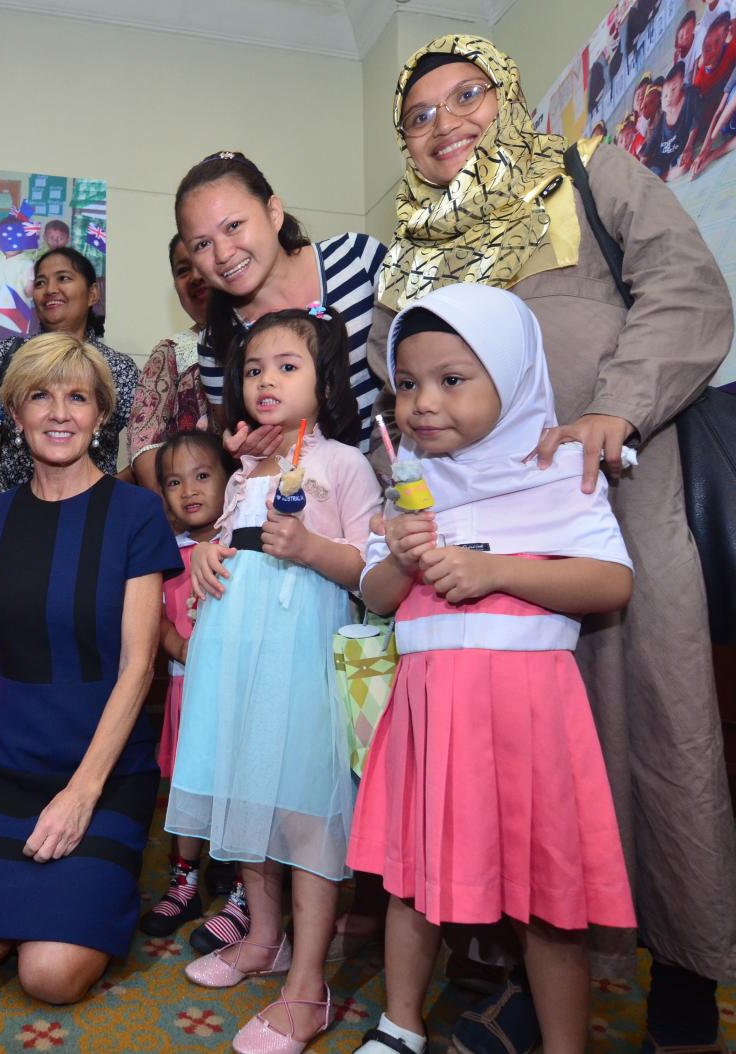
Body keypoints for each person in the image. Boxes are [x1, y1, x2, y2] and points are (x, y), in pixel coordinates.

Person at [372, 34, 736, 1050]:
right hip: (474, 528)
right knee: (514, 764)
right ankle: (530, 976)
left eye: (469, 94)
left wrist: (615, 409)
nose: (448, 122)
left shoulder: (587, 172)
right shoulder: (411, 246)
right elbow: (400, 381)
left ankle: (686, 966)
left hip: (612, 495)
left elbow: (689, 290)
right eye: (420, 114)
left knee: (655, 731)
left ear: (511, 97)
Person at [349, 285, 636, 1054]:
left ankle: (564, 1044)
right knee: (413, 879)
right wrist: (401, 560)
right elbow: (374, 594)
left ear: (511, 378)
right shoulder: (408, 481)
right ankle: (399, 1022)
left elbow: (611, 582)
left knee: (546, 894)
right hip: (428, 711)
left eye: (452, 379)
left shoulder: (557, 468)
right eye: (406, 384)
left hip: (526, 717)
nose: (421, 403)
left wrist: (497, 573)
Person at [0, 333, 181, 1004]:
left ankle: (59, 909)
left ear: (100, 416)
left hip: (103, 770)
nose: (60, 413)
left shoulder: (136, 512)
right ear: (14, 410)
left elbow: (139, 663)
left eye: (78, 397)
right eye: (40, 396)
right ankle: (20, 910)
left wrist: (82, 793)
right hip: (6, 767)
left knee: (51, 977)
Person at [167, 308, 382, 1053]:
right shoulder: (243, 471)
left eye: (287, 366)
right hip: (235, 657)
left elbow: (371, 571)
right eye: (254, 368)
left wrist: (315, 548)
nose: (266, 380)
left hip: (301, 659)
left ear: (324, 380)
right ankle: (264, 939)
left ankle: (308, 986)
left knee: (302, 811)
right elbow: (225, 548)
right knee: (247, 795)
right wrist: (203, 557)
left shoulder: (345, 465)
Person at [174, 151, 385, 453]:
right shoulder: (214, 344)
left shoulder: (356, 259)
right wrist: (240, 451)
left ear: (273, 212)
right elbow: (237, 437)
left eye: (233, 226)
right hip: (309, 497)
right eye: (202, 244)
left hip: (413, 483)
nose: (222, 254)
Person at [138, 431, 246, 952]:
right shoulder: (164, 550)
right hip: (187, 688)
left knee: (238, 789)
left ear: (231, 480)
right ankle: (185, 882)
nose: (189, 491)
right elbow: (151, 615)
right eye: (175, 483)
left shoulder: (243, 544)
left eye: (203, 476)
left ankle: (241, 893)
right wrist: (179, 646)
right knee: (188, 788)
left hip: (237, 696)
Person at [0, 247, 138, 493]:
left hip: (92, 518)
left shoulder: (119, 369)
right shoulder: (11, 354)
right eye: (41, 282)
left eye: (63, 278)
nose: (50, 289)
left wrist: (109, 490)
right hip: (12, 515)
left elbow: (150, 446)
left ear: (92, 294)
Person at [128, 235, 213, 492]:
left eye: (203, 262)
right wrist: (172, 510)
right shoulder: (171, 352)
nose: (196, 276)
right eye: (183, 270)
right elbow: (145, 443)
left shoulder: (272, 338)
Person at [643, 61, 702, 179]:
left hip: (679, 154)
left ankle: (660, 178)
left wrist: (688, 147)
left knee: (684, 167)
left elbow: (696, 121)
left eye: (674, 89)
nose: (669, 97)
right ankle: (659, 178)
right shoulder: (663, 115)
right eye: (665, 94)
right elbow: (654, 139)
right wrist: (642, 161)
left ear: (681, 84)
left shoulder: (690, 95)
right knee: (650, 174)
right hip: (660, 160)